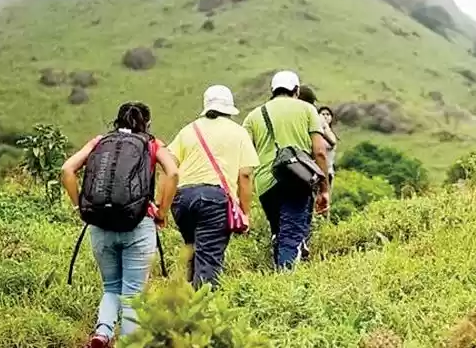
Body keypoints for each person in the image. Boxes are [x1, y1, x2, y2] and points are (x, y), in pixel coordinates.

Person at [61, 102, 179, 348]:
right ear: (146, 123)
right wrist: (162, 211)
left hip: (101, 225)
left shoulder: (99, 142)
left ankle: (102, 333)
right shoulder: (152, 144)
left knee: (111, 286)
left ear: (117, 121)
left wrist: (79, 206)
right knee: (133, 292)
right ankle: (127, 342)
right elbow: (173, 173)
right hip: (139, 224)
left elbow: (67, 169)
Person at [166, 85, 259, 289]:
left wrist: (162, 203)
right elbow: (245, 174)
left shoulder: (189, 130)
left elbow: (168, 163)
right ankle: (203, 312)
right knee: (208, 258)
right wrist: (244, 213)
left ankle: (186, 302)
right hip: (214, 199)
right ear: (229, 109)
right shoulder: (238, 133)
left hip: (182, 198)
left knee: (193, 250)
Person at [242, 70, 330, 269]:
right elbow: (320, 151)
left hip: (265, 183)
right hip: (298, 179)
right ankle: (286, 282)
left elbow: (245, 158)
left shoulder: (253, 116)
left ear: (273, 90)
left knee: (281, 232)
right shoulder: (307, 110)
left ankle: (283, 264)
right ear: (296, 90)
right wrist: (323, 189)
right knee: (291, 235)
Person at [317, 106, 339, 188]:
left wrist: (324, 126)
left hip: (327, 172)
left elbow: (332, 143)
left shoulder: (330, 133)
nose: (325, 116)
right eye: (322, 114)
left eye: (328, 114)